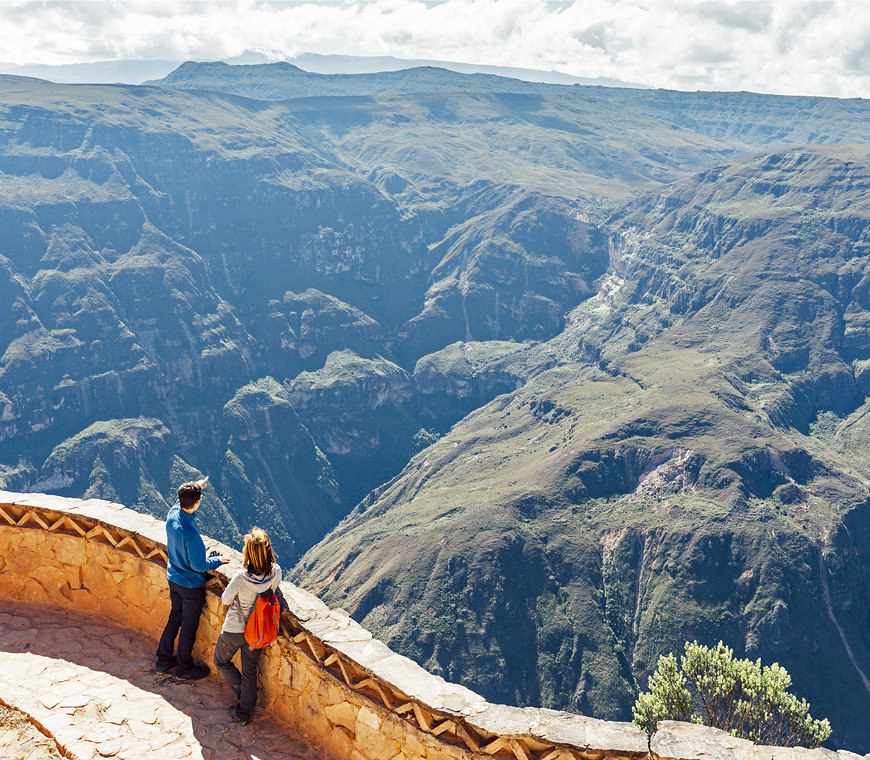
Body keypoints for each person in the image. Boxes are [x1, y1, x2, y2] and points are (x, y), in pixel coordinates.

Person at [156, 477, 229, 679]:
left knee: (174, 619)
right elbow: (199, 565)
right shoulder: (191, 534)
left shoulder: (172, 516)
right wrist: (218, 561)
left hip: (174, 579)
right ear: (197, 503)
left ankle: (163, 660)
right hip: (190, 586)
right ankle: (183, 669)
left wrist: (197, 485)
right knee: (188, 626)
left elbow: (178, 502)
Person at [213, 527, 282, 725]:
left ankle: (244, 696)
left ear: (248, 552)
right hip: (258, 632)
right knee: (249, 671)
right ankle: (245, 709)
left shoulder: (241, 577)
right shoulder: (275, 573)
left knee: (220, 661)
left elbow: (226, 599)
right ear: (268, 551)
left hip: (235, 629)